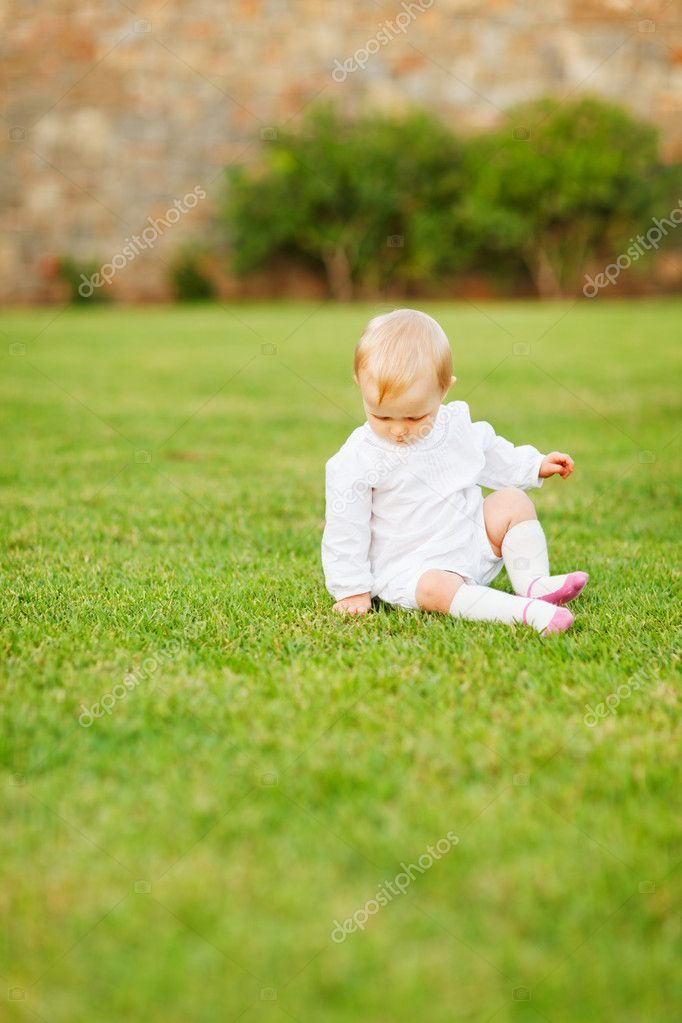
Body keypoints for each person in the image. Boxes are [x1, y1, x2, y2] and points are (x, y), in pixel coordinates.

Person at [321, 309, 588, 636]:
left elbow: (492, 454)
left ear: (445, 389)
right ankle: (526, 612)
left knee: (512, 501)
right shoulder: (358, 458)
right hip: (413, 568)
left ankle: (534, 583)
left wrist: (534, 465)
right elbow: (345, 528)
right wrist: (351, 589)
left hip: (470, 542)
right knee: (435, 588)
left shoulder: (456, 427)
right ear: (359, 384)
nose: (399, 430)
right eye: (382, 417)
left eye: (416, 417)